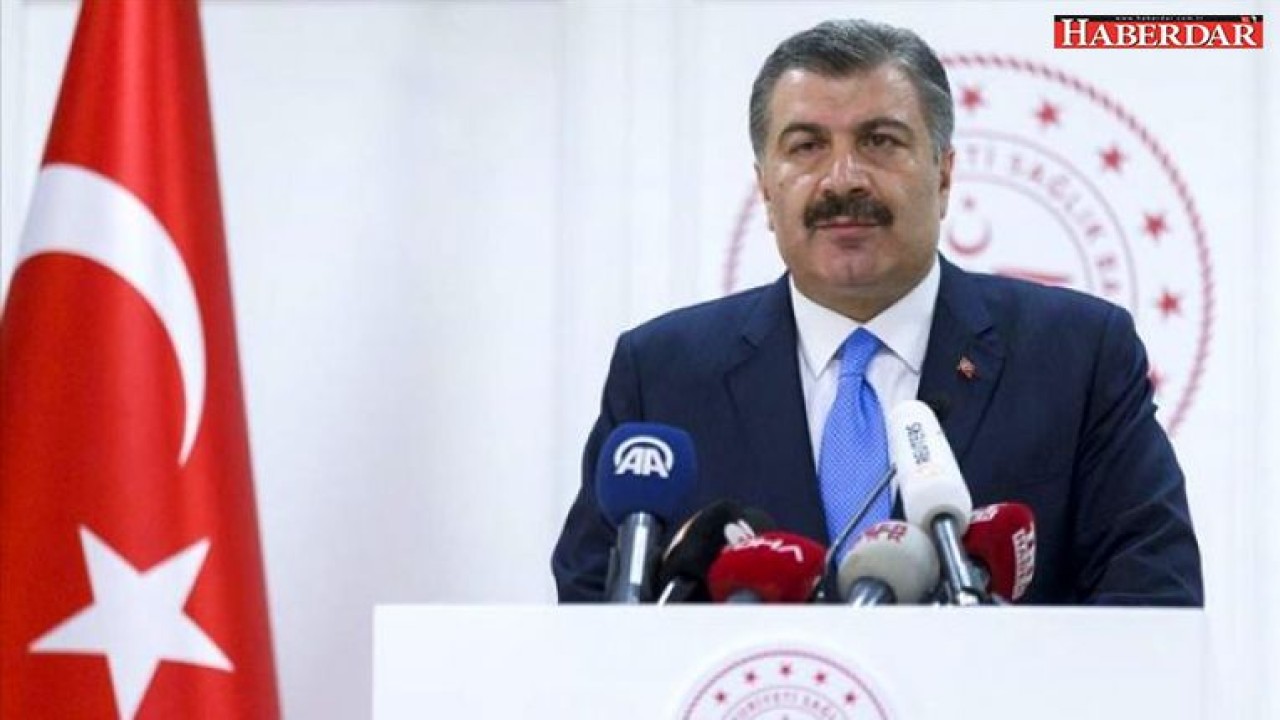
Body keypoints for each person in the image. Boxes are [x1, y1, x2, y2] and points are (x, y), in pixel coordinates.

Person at [551, 18, 1203, 605]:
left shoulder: (1078, 356)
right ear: (766, 188)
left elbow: (1154, 600)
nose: (843, 179)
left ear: (943, 175)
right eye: (806, 146)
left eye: (880, 141)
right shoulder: (662, 373)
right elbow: (591, 617)